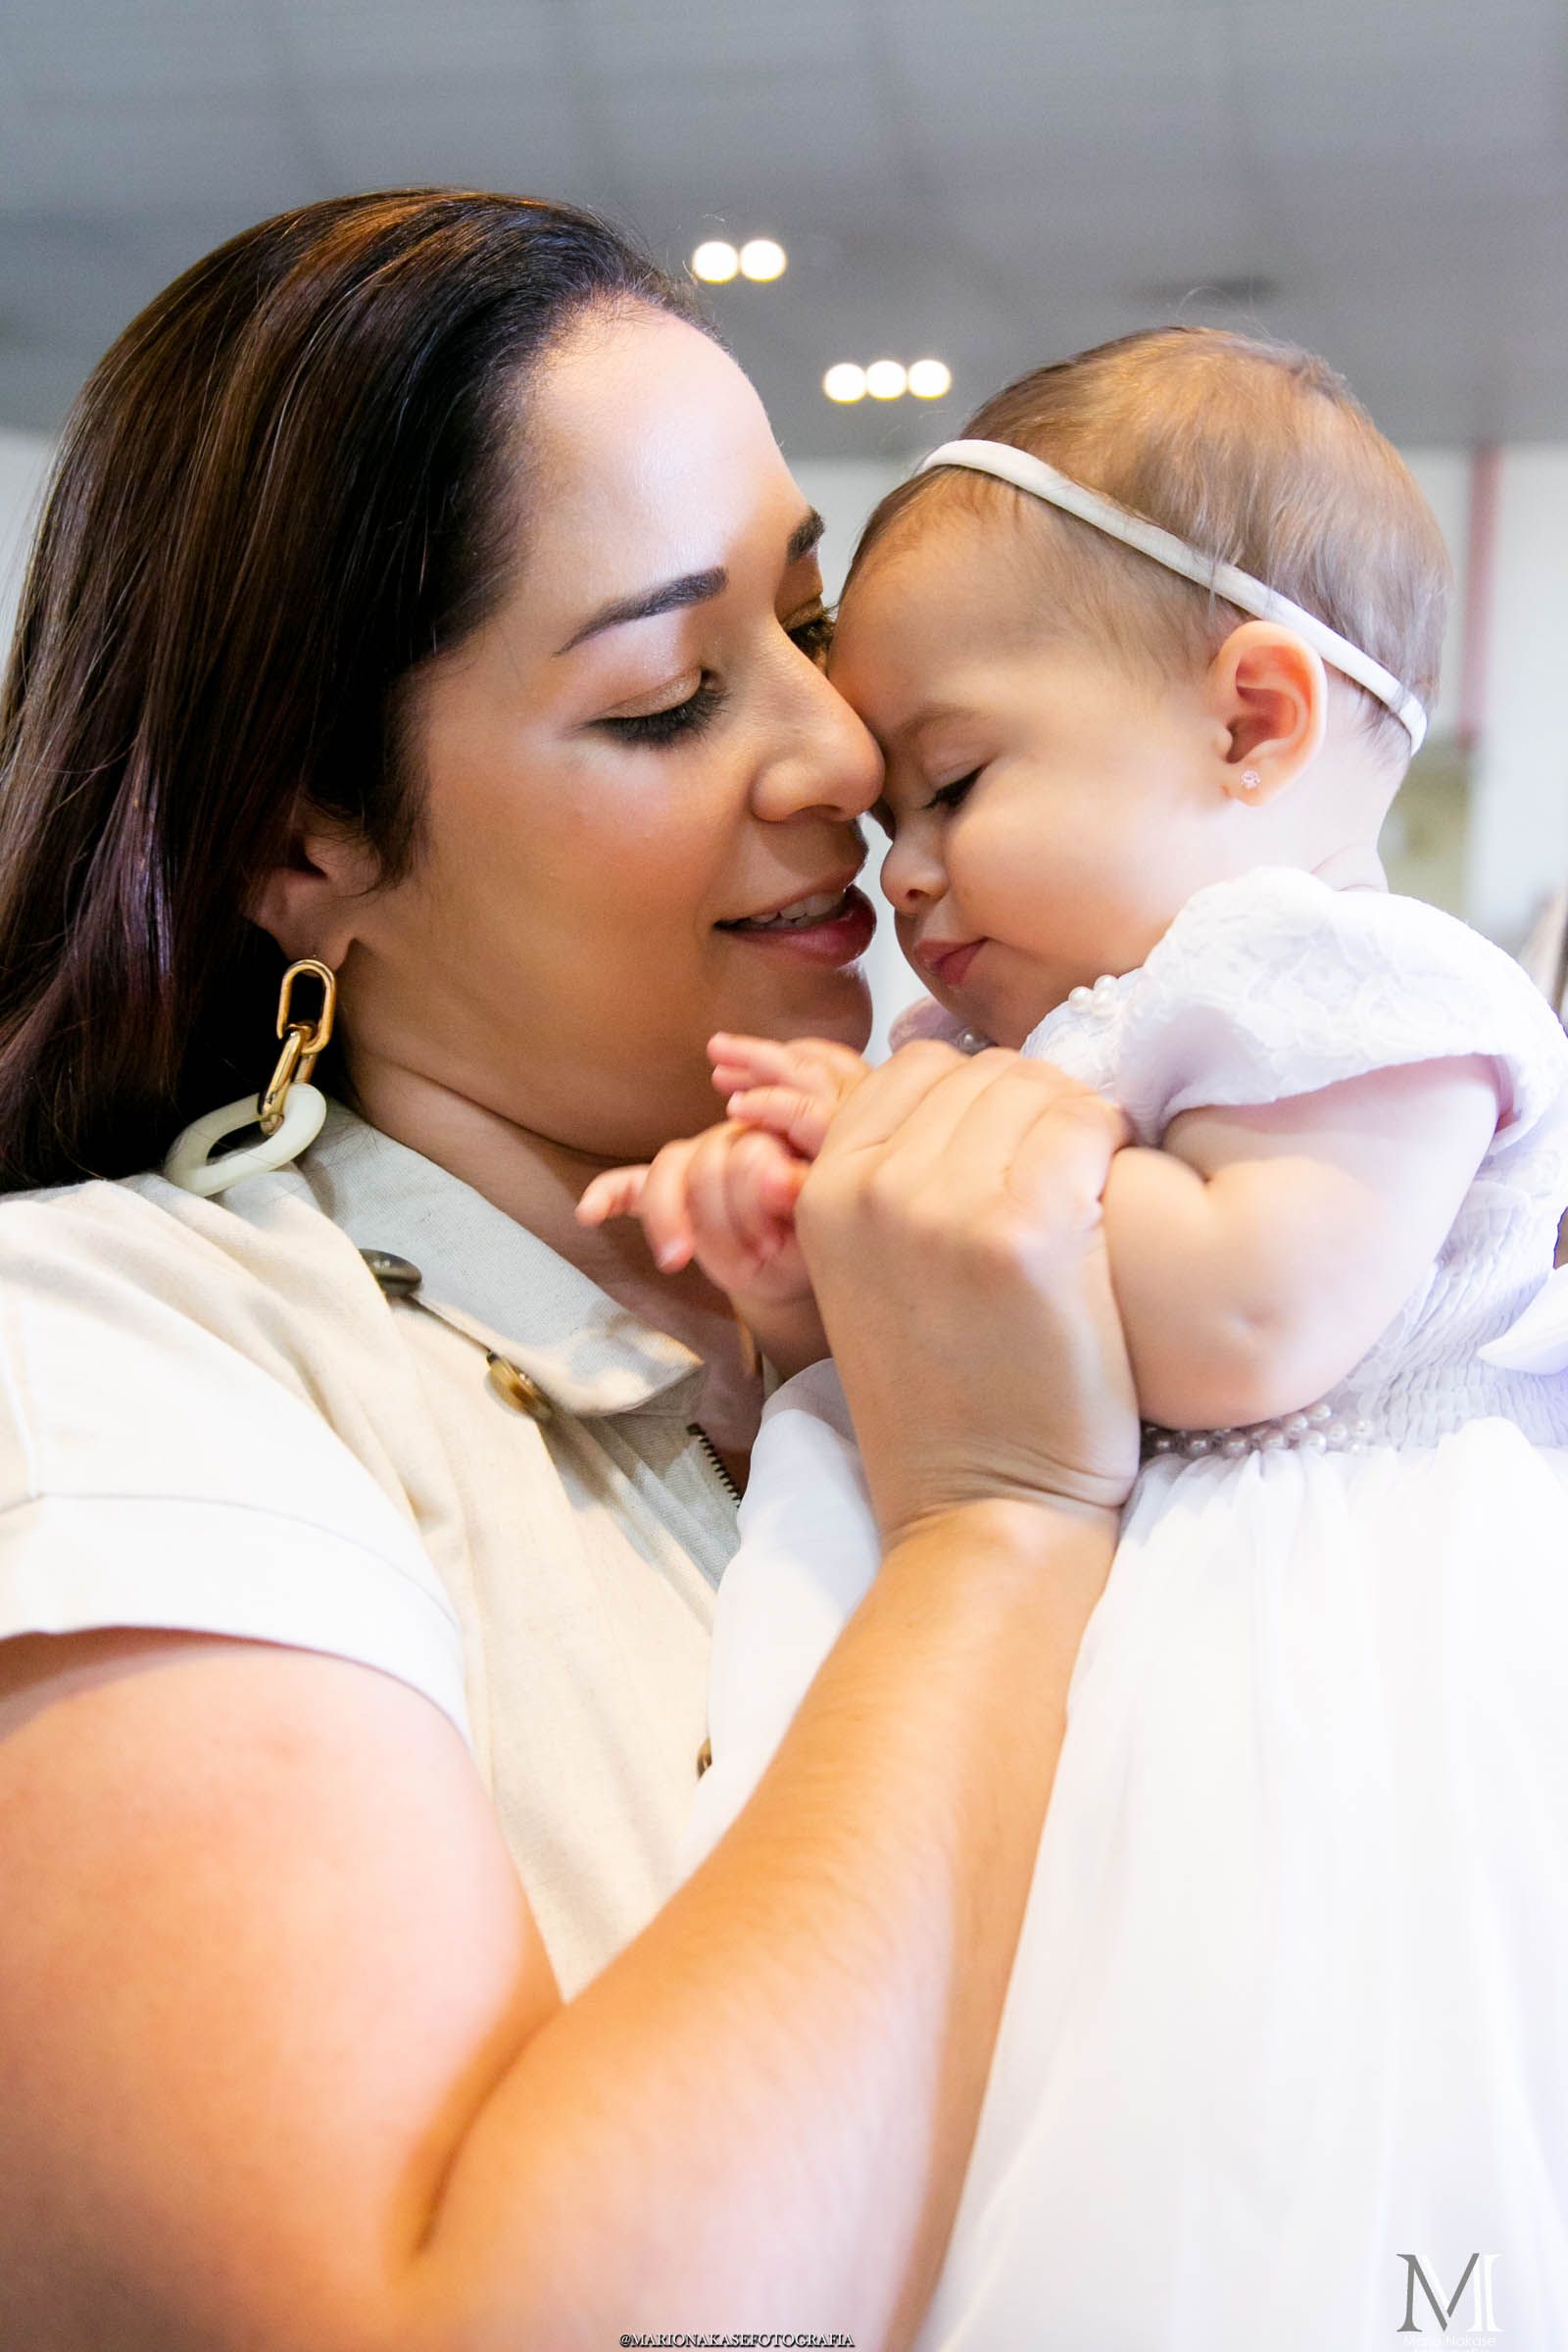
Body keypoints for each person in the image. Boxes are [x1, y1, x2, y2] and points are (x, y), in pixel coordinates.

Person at [0, 190, 1143, 2349]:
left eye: (806, 626)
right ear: (300, 840)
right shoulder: (102, 1360)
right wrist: (992, 1527)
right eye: (666, 695)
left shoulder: (950, 1296)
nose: (833, 754)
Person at [583, 329, 1568, 2346]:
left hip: (1328, 1668)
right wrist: (797, 1250)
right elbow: (977, 1327)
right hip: (1114, 1644)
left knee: (1247, 2143)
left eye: (950, 781)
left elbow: (1243, 1316)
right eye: (893, 823)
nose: (905, 873)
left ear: (1252, 718)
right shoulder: (1024, 1044)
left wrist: (926, 1155)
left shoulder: (1349, 985)